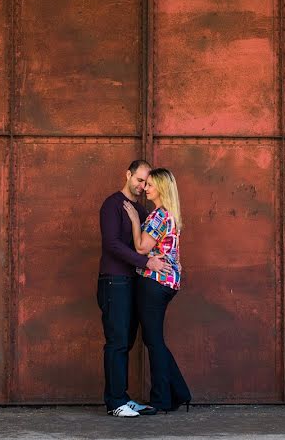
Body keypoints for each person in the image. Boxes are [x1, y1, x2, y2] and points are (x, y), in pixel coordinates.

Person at [98, 160, 171, 418]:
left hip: (131, 283)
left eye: (146, 182)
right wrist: (145, 261)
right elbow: (112, 245)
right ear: (128, 174)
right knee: (116, 342)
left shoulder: (140, 211)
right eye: (139, 180)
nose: (142, 186)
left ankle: (122, 397)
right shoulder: (112, 205)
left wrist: (170, 260)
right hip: (113, 281)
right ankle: (115, 402)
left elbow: (149, 242)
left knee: (126, 341)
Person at [123, 167, 191, 413]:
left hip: (153, 282)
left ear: (161, 188)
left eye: (150, 184)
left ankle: (162, 399)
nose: (145, 188)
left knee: (154, 342)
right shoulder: (172, 215)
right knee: (155, 341)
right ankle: (179, 392)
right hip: (168, 283)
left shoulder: (158, 216)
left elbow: (141, 248)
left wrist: (133, 220)